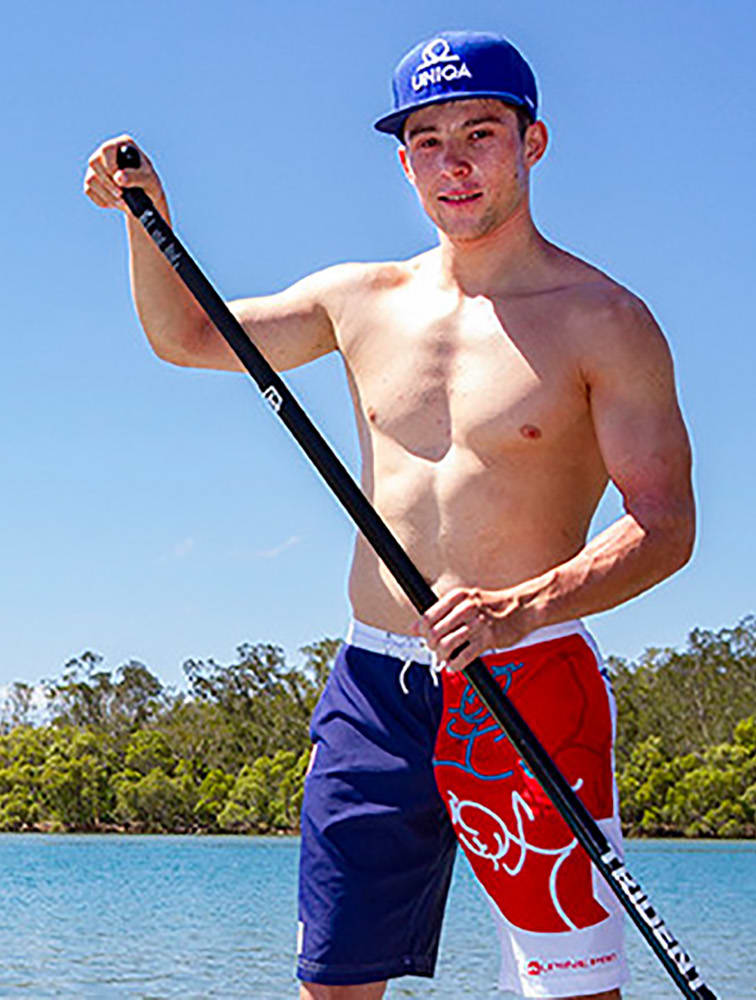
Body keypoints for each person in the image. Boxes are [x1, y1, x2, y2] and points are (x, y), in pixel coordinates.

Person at [84, 30, 693, 1000]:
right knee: (334, 985)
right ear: (402, 158)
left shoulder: (605, 319)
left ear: (532, 142)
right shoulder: (359, 298)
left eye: (480, 133)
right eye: (427, 140)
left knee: (570, 990)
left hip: (529, 679)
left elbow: (663, 523)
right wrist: (144, 219)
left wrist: (522, 604)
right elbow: (188, 336)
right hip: (373, 687)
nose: (453, 162)